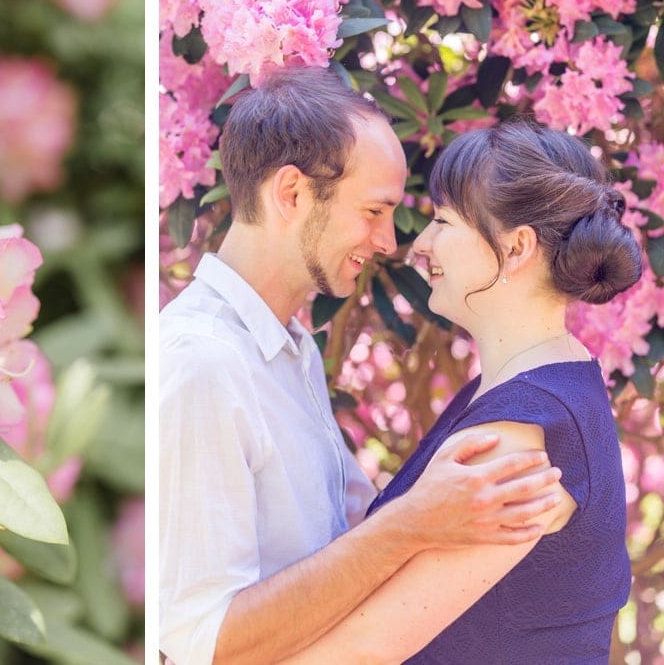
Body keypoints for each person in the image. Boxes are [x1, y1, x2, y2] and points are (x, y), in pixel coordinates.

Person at [159, 68, 565, 665]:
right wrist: (413, 525)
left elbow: (350, 534)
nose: (387, 242)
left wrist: (481, 512)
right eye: (374, 211)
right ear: (292, 195)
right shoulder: (203, 363)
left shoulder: (288, 348)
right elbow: (205, 643)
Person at [282, 120, 639, 663]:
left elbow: (360, 649)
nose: (421, 244)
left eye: (443, 220)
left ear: (517, 247)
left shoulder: (519, 438)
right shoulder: (529, 389)